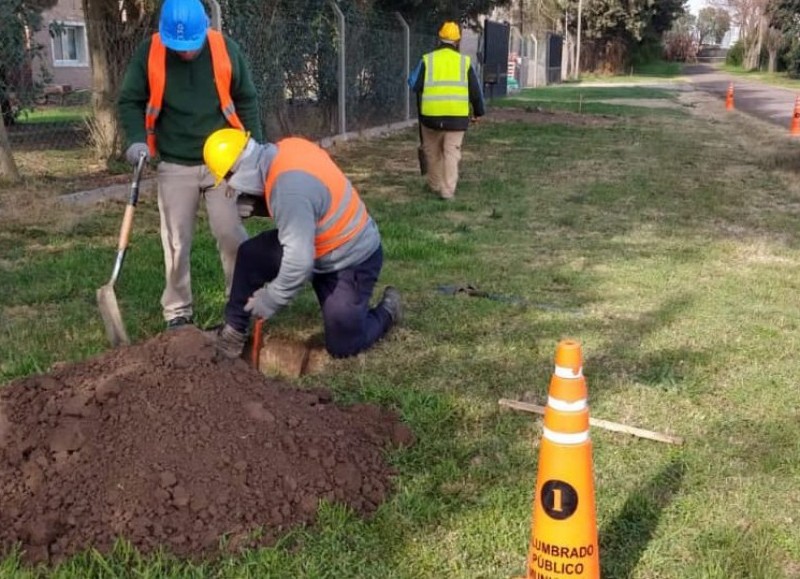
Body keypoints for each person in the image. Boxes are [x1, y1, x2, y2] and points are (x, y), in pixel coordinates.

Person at [117, 0, 262, 330]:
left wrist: (255, 151)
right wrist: (137, 139)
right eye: (177, 47)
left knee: (230, 233)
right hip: (174, 162)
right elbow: (129, 100)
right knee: (176, 240)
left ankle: (241, 306)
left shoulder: (226, 50)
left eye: (190, 46)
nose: (184, 53)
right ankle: (178, 312)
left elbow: (247, 97)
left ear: (206, 27)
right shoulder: (149, 53)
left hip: (223, 162)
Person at [201, 128, 403, 360]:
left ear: (239, 171)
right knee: (250, 255)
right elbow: (309, 203)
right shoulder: (285, 150)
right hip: (317, 243)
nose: (231, 187)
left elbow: (299, 261)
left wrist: (272, 298)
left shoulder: (288, 189)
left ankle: (388, 311)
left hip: (349, 259)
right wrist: (261, 204)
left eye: (228, 179)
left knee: (343, 345)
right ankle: (234, 333)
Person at [408, 21, 485, 201]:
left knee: (432, 152)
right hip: (457, 118)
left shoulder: (427, 60)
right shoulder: (464, 63)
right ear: (457, 41)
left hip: (430, 117)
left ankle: (434, 185)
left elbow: (413, 84)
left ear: (439, 39)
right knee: (452, 153)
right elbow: (475, 91)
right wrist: (478, 112)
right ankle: (447, 191)